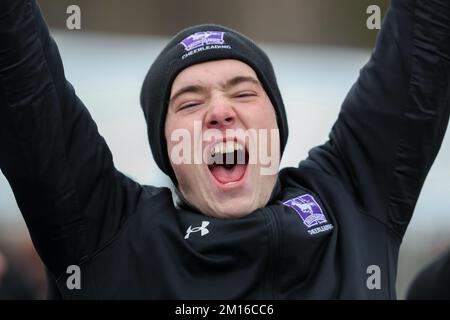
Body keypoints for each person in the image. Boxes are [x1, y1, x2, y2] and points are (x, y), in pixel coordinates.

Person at [0, 0, 449, 299]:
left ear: (277, 125)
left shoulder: (351, 198)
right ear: (169, 153)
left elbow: (426, 35)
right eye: (190, 102)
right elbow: (22, 78)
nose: (219, 111)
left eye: (244, 93)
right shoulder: (106, 232)